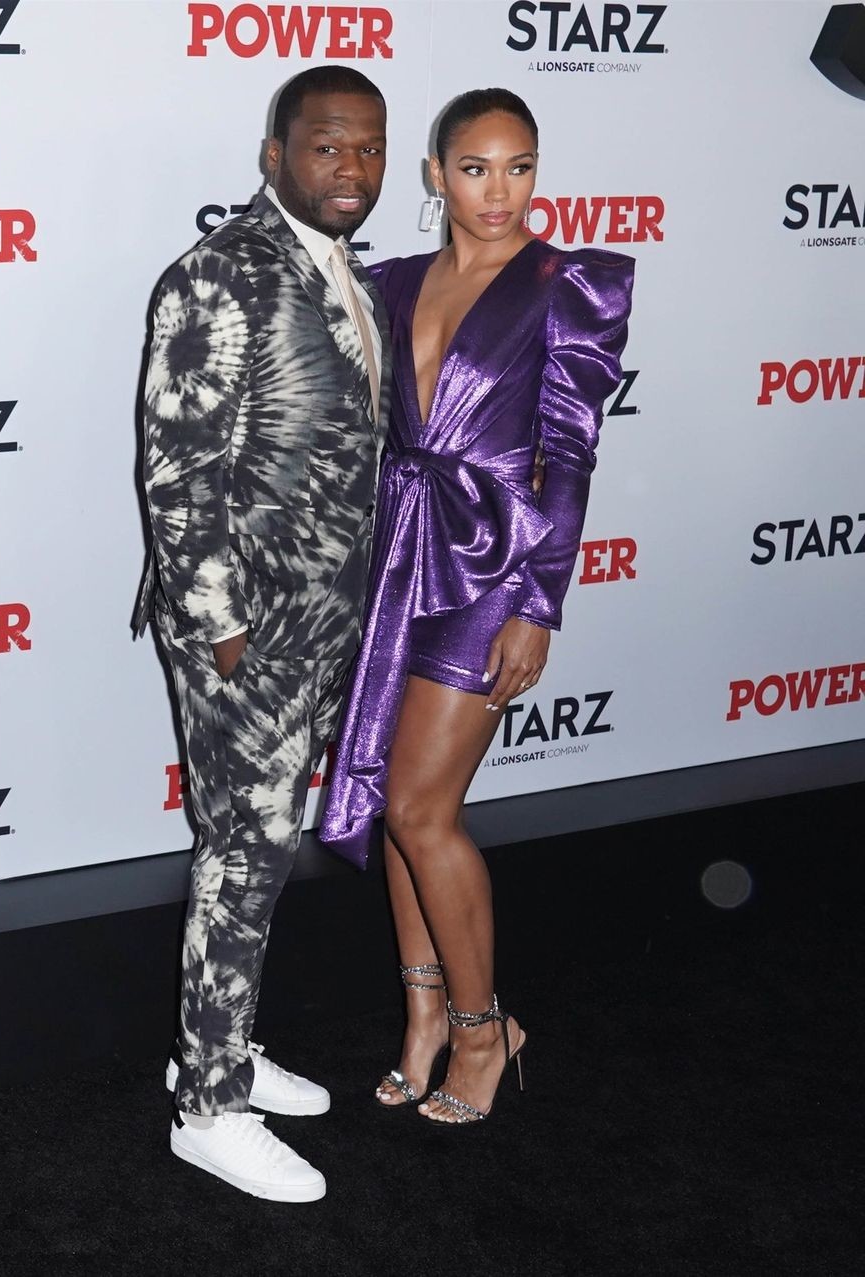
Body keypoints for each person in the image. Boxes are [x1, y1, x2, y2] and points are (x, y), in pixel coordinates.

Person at [318, 89, 634, 1124]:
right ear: (435, 174)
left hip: (494, 565)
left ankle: (485, 1027)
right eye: (476, 167)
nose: (501, 192)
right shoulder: (391, 281)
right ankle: (424, 1016)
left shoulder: (565, 284)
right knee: (398, 804)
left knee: (421, 808)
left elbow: (570, 458)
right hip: (396, 553)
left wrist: (538, 602)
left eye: (519, 166)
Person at [134, 65, 392, 1201]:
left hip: (326, 620)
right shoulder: (218, 273)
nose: (352, 168)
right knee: (243, 853)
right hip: (247, 631)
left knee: (266, 851)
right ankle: (207, 1106)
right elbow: (176, 473)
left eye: (369, 148)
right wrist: (220, 631)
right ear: (274, 154)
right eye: (328, 146)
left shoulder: (347, 270)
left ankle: (224, 1046)